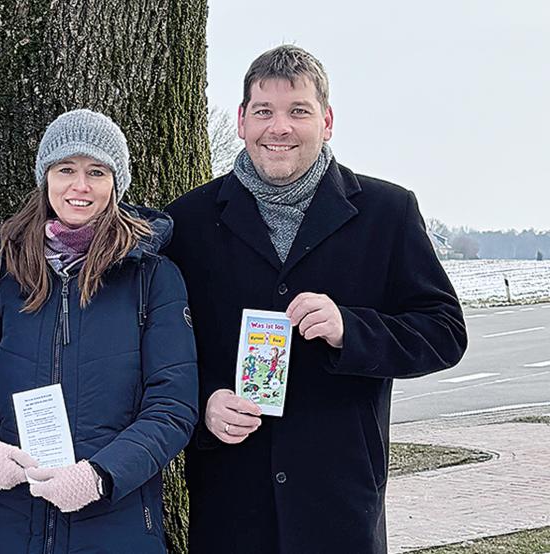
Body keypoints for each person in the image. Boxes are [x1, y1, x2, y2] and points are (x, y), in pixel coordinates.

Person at [164, 45, 468, 553]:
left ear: (326, 122)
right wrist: (204, 404)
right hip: (230, 504)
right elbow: (162, 351)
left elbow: (444, 333)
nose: (279, 127)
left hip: (340, 504)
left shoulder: (387, 212)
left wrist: (352, 329)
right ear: (241, 121)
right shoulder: (189, 222)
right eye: (264, 111)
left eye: (298, 111)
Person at [0, 109, 198, 553]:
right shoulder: (6, 275)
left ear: (116, 184)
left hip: (114, 524)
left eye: (96, 172)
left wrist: (100, 476)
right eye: (66, 169)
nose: (79, 186)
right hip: (8, 524)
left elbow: (172, 407)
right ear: (46, 177)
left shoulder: (152, 278)